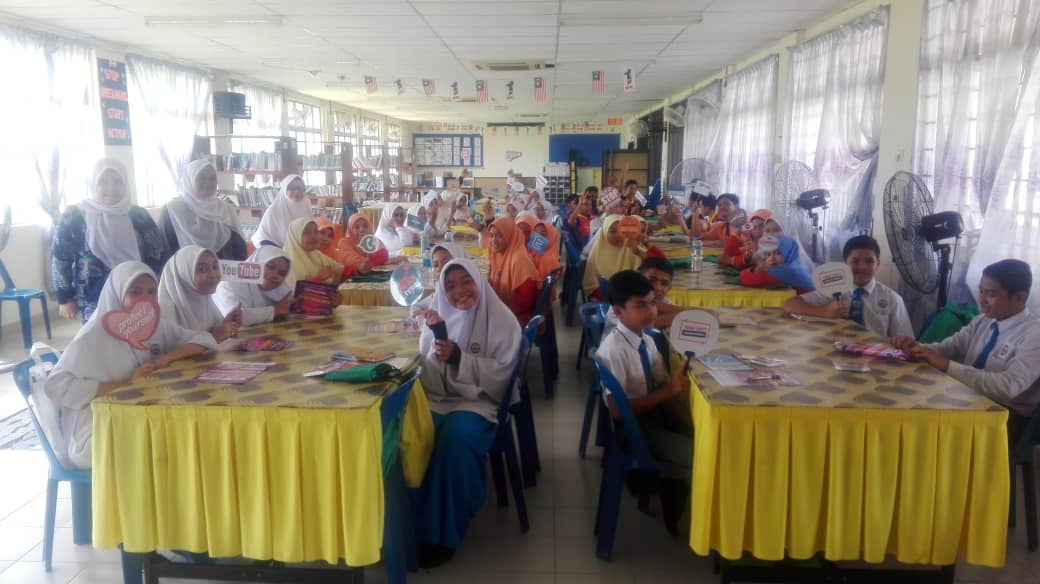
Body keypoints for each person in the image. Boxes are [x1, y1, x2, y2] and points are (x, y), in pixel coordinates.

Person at [44, 261, 215, 469]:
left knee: (185, 434)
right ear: (117, 293)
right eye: (135, 292)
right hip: (96, 429)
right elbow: (55, 386)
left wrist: (166, 358)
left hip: (141, 416)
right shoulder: (92, 336)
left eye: (151, 292)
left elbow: (204, 339)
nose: (145, 300)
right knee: (163, 444)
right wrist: (125, 385)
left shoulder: (155, 326)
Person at [414, 258, 522, 568]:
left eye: (466, 281)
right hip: (441, 398)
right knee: (410, 433)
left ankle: (444, 534)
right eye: (450, 286)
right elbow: (430, 381)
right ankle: (411, 523)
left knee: (456, 439)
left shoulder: (502, 320)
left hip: (481, 402)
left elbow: (503, 377)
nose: (460, 290)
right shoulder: (438, 318)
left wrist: (459, 358)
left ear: (479, 281)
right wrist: (438, 338)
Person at [595, 269, 692, 536]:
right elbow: (617, 412)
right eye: (640, 305)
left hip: (654, 417)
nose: (651, 311)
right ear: (618, 312)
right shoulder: (614, 350)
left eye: (652, 303)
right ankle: (677, 495)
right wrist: (669, 391)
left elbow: (662, 386)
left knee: (702, 433)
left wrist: (684, 417)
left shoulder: (646, 340)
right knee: (700, 454)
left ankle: (671, 483)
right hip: (635, 431)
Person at [892, 259, 1040, 421]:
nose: (982, 300)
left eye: (991, 294)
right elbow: (950, 347)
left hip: (1004, 416)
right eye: (981, 291)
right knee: (905, 396)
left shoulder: (1034, 335)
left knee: (922, 418)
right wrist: (917, 348)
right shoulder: (983, 320)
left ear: (1019, 298)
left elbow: (1009, 387)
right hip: (967, 397)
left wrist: (946, 365)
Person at [52, 159, 165, 323]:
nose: (111, 188)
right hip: (93, 300)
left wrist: (157, 289)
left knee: (137, 334)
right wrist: (65, 298)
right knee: (98, 337)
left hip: (137, 295)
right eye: (103, 182)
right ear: (93, 183)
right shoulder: (75, 216)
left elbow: (157, 254)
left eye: (118, 182)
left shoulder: (138, 216)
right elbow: (60, 258)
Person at [783, 235, 913, 338]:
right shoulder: (832, 290)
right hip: (835, 352)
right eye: (855, 261)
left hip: (875, 356)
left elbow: (905, 338)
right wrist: (824, 311)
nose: (862, 267)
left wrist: (900, 342)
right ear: (844, 264)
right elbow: (790, 304)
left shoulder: (892, 299)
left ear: (877, 264)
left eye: (869, 261)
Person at [160, 159, 247, 260]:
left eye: (212, 178)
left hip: (224, 268)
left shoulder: (226, 209)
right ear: (189, 180)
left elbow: (239, 249)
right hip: (185, 268)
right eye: (201, 177)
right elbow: (166, 251)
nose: (208, 182)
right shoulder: (173, 210)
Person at [158, 246, 243, 342]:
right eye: (201, 269)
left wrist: (225, 323)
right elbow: (171, 346)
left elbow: (214, 330)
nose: (213, 275)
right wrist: (213, 337)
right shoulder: (164, 315)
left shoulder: (205, 300)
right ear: (184, 276)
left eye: (215, 267)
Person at [214, 245, 293, 326]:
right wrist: (275, 310)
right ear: (257, 261)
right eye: (270, 266)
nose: (275, 275)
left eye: (281, 273)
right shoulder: (230, 283)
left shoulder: (282, 292)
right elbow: (234, 318)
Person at [604, 256, 683, 335]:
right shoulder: (623, 299)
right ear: (640, 279)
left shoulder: (666, 302)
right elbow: (641, 326)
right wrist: (678, 316)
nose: (657, 287)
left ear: (669, 288)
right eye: (652, 280)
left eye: (664, 283)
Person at [486, 217, 541, 325]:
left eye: (500, 235)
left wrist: (496, 311)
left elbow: (524, 303)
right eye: (491, 235)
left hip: (516, 318)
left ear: (510, 236)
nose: (493, 240)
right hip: (504, 309)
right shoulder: (498, 254)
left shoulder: (520, 260)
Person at [583, 215, 643, 297]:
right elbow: (592, 287)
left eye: (621, 231)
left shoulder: (631, 248)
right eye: (613, 231)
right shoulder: (596, 255)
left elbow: (645, 271)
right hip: (608, 296)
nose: (619, 235)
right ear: (604, 233)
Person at [284, 217, 351, 285]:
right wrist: (318, 279)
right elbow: (294, 290)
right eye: (306, 232)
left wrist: (354, 270)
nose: (313, 236)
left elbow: (339, 271)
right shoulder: (287, 263)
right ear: (295, 236)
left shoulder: (316, 254)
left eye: (315, 232)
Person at [250, 175, 311, 248]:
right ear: (284, 190)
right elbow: (266, 239)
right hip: (274, 250)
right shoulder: (273, 211)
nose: (297, 192)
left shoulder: (306, 206)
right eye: (291, 188)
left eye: (300, 188)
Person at [739, 235, 814, 292]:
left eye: (778, 253)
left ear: (789, 253)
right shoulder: (794, 265)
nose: (772, 258)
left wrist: (758, 268)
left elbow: (747, 278)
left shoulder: (786, 271)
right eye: (768, 254)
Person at [516, 214, 562, 280]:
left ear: (551, 238)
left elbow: (537, 283)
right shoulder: (532, 253)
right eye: (535, 233)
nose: (538, 237)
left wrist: (530, 266)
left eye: (543, 234)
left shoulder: (548, 261)